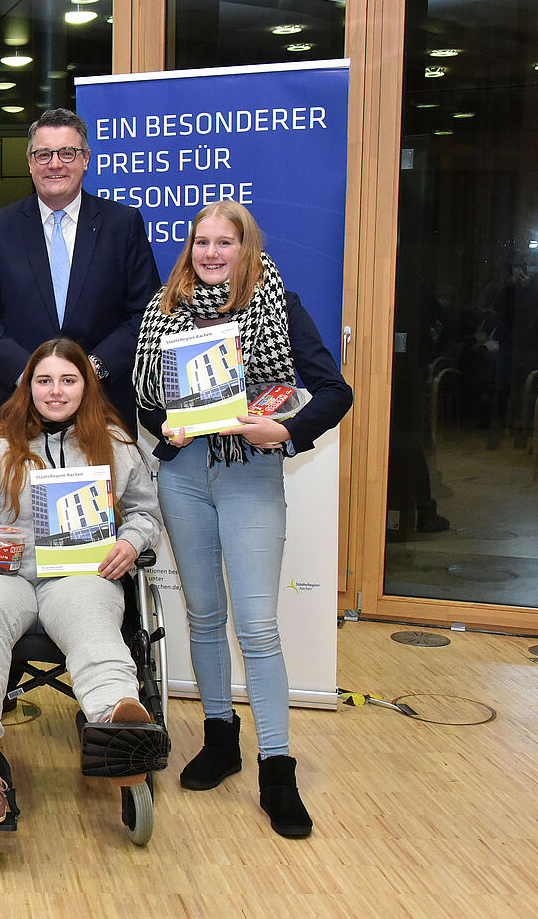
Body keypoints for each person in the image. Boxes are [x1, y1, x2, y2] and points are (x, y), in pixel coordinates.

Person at [132, 199, 352, 839]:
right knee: (203, 615)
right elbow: (147, 401)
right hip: (182, 477)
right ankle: (221, 738)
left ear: (245, 248)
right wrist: (162, 426)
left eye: (224, 243)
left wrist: (282, 428)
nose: (210, 254)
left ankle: (277, 770)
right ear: (189, 247)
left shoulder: (276, 302)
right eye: (201, 242)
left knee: (256, 625)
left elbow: (334, 391)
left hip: (249, 475)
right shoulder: (162, 309)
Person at [0, 338, 164, 824]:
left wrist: (131, 542)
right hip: (4, 572)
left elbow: (144, 513)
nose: (55, 391)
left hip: (78, 573)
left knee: (94, 616)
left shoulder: (116, 447)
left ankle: (115, 722)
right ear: (27, 387)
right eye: (44, 380)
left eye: (68, 380)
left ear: (86, 386)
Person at [0, 108, 160, 429]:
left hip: (103, 408)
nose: (55, 164)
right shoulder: (0, 227)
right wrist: (33, 375)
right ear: (29, 162)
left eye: (67, 153)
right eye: (43, 154)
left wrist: (93, 368)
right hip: (21, 412)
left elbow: (146, 315)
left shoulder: (122, 224)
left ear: (86, 159)